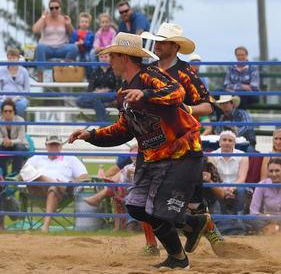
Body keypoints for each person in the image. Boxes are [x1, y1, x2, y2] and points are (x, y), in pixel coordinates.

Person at [68, 32, 210, 270]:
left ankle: (179, 255)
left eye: (112, 55)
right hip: (153, 155)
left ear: (124, 57)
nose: (109, 60)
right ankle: (190, 228)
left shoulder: (150, 75)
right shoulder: (123, 92)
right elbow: (124, 130)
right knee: (136, 206)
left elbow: (177, 93)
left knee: (158, 209)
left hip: (180, 152)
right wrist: (90, 135)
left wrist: (145, 94)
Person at [141, 22, 224, 251]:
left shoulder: (186, 73)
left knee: (193, 200)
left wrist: (187, 109)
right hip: (155, 143)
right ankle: (151, 244)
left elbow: (208, 107)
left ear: (175, 47)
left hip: (184, 145)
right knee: (143, 194)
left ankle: (208, 229)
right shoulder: (149, 72)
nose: (158, 44)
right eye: (157, 40)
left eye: (163, 41)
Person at [20, 135, 88, 233]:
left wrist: (71, 184)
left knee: (53, 188)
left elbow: (84, 176)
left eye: (56, 145)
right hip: (37, 191)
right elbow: (23, 174)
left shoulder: (70, 159)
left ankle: (45, 226)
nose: (54, 148)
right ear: (46, 146)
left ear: (61, 146)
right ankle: (49, 180)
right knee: (29, 172)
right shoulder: (36, 158)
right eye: (51, 145)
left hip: (61, 193)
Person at [32, 0, 76, 79]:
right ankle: (42, 76)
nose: (54, 10)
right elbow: (35, 30)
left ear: (60, 8)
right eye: (51, 8)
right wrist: (43, 16)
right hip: (47, 48)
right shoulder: (45, 19)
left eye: (56, 8)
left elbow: (72, 34)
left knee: (74, 48)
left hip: (61, 48)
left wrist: (69, 24)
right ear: (49, 9)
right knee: (40, 47)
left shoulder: (64, 19)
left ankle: (62, 70)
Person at [208, 130, 249, 216]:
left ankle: (239, 218)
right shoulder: (212, 155)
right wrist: (222, 189)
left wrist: (232, 188)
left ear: (234, 143)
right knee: (213, 190)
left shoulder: (243, 155)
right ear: (220, 142)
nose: (227, 142)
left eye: (230, 140)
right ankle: (219, 219)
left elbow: (242, 178)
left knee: (241, 190)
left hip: (237, 186)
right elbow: (214, 177)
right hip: (218, 186)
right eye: (224, 140)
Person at [75, 53, 117, 121]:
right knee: (78, 100)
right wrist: (95, 91)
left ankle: (102, 123)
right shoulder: (95, 71)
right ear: (99, 59)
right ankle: (103, 106)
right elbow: (90, 88)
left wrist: (107, 91)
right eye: (101, 57)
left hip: (110, 95)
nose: (103, 59)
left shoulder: (115, 70)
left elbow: (118, 87)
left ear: (110, 58)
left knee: (95, 99)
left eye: (106, 57)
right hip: (95, 95)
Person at [0, 99, 29, 176]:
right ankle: (3, 175)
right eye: (5, 111)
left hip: (20, 145)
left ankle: (14, 175)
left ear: (14, 111)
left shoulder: (20, 120)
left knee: (18, 148)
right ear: (2, 112)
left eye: (10, 111)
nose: (8, 113)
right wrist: (4, 142)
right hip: (4, 145)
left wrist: (10, 142)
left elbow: (21, 139)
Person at [0, 48, 30, 116]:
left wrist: (17, 98)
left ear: (18, 58)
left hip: (19, 99)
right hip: (4, 99)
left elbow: (27, 89)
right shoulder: (2, 71)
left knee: (22, 105)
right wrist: (4, 98)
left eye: (14, 58)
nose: (12, 60)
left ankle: (14, 122)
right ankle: (3, 122)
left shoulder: (24, 71)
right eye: (10, 58)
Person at [249, 158, 281, 234]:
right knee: (247, 219)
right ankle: (274, 229)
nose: (274, 174)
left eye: (277, 171)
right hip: (266, 219)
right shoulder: (262, 185)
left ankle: (272, 230)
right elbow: (253, 211)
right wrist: (270, 219)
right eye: (271, 171)